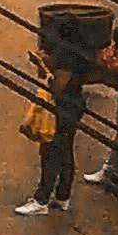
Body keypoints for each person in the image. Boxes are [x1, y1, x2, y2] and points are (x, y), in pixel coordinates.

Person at [16, 52, 92, 216]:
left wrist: (43, 65)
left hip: (62, 107)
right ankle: (62, 195)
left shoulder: (66, 57)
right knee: (65, 149)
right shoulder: (78, 52)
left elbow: (57, 84)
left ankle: (42, 199)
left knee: (51, 150)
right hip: (73, 104)